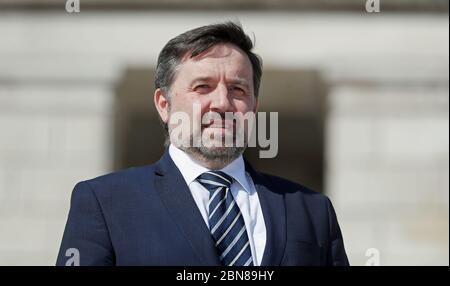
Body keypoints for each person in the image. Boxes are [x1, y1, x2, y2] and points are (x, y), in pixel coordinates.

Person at [56, 21, 349, 266]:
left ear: (254, 106)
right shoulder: (105, 203)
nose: (223, 103)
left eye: (237, 89)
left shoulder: (312, 211)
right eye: (202, 87)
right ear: (163, 104)